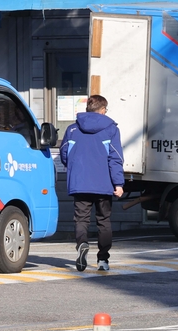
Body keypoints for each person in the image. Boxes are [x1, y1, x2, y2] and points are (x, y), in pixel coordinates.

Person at [59, 95, 124, 272]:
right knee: (103, 221)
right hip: (104, 184)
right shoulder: (111, 129)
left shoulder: (72, 129)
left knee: (81, 219)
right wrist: (118, 183)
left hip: (80, 182)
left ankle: (82, 244)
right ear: (102, 110)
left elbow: (64, 153)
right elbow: (115, 158)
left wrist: (75, 168)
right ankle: (103, 260)